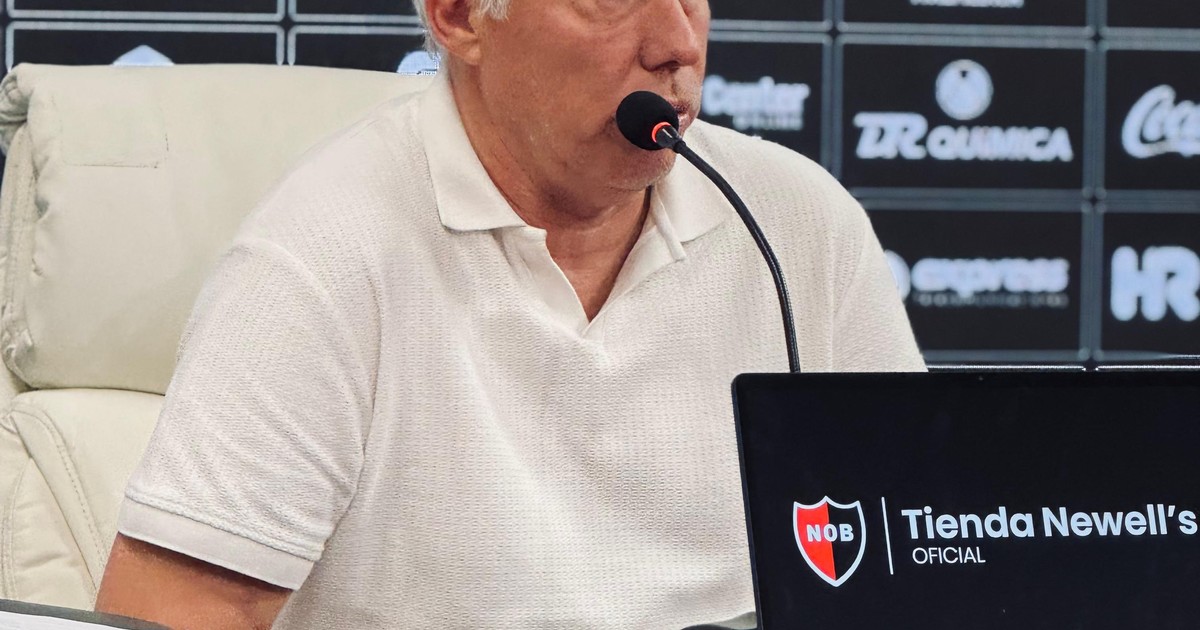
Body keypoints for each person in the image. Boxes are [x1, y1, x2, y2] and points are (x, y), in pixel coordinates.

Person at [95, 0, 924, 628]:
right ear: (459, 16)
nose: (677, 42)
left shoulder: (798, 224)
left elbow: (926, 566)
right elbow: (176, 611)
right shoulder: (323, 253)